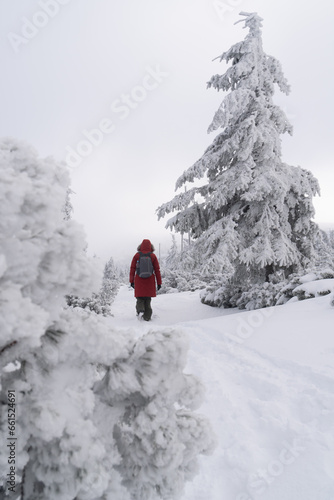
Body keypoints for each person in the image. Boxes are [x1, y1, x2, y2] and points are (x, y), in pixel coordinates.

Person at [129, 239, 162, 321]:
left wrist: (131, 281)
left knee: (139, 298)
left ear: (141, 246)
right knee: (148, 300)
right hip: (150, 281)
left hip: (139, 280)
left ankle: (140, 310)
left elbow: (132, 269)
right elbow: (157, 270)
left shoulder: (137, 255)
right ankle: (147, 317)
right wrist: (159, 283)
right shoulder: (153, 256)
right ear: (151, 247)